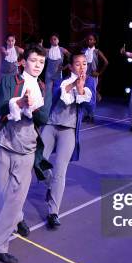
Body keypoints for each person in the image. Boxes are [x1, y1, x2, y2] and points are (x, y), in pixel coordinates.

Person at [0, 45, 52, 263]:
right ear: (23, 62)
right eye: (33, 61)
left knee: (16, 198)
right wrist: (19, 103)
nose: (37, 66)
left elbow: (43, 119)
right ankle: (18, 219)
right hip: (3, 145)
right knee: (5, 196)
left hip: (27, 149)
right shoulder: (9, 81)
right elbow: (1, 108)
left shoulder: (43, 87)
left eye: (41, 63)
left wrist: (33, 108)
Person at [41, 52, 95, 228]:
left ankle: (53, 212)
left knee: (60, 171)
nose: (82, 67)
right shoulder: (61, 80)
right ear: (71, 66)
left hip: (69, 130)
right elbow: (58, 95)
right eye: (78, 64)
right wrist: (73, 84)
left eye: (84, 64)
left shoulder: (90, 83)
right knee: (37, 161)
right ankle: (50, 186)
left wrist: (81, 89)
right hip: (51, 125)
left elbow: (90, 107)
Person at [82, 33, 108, 123]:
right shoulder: (83, 51)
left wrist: (99, 73)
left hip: (92, 76)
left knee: (91, 96)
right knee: (83, 94)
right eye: (88, 39)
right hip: (83, 75)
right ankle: (85, 114)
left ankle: (91, 115)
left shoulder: (97, 51)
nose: (89, 41)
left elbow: (106, 62)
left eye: (91, 39)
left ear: (95, 41)